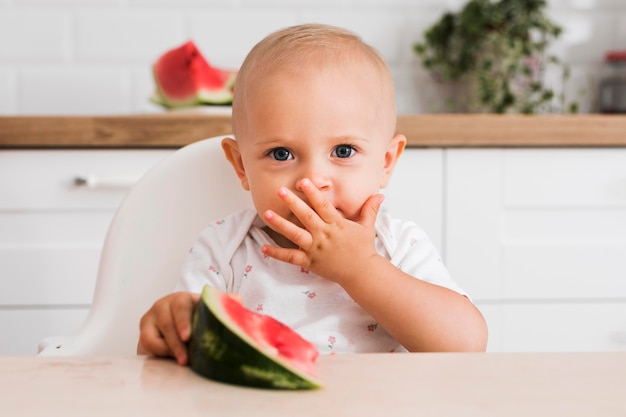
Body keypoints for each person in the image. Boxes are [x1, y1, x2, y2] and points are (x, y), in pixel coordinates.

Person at [138, 23, 488, 365]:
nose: (312, 181)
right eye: (281, 154)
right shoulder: (224, 247)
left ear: (386, 163)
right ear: (241, 166)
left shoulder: (397, 245)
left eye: (344, 151)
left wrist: (361, 269)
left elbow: (466, 345)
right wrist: (166, 327)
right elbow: (169, 358)